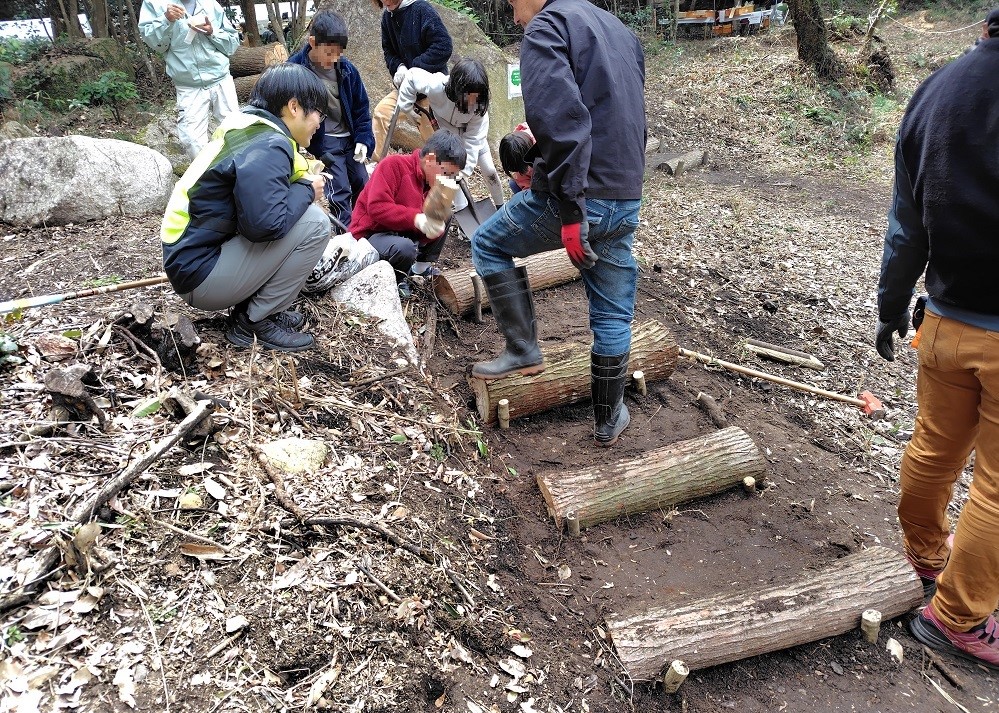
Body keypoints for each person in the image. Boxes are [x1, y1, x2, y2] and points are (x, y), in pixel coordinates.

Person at [876, 11, 999, 669]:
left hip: (943, 321)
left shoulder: (937, 90)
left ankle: (926, 554)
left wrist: (889, 305)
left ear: (984, 26)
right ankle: (956, 617)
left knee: (933, 447)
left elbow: (906, 222)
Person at [470, 0, 645, 448]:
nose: (514, 16)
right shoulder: (619, 31)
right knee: (612, 312)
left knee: (487, 243)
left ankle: (522, 349)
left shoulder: (547, 27)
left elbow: (561, 121)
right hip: (625, 193)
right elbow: (623, 118)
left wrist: (570, 211)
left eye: (513, 3)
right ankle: (608, 418)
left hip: (579, 196)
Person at [161, 64, 331, 352]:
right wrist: (306, 190)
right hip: (200, 276)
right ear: (294, 107)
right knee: (315, 223)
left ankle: (258, 309)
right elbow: (265, 226)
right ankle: (254, 320)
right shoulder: (268, 145)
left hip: (190, 263)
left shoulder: (248, 131)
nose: (319, 123)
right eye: (319, 113)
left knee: (304, 215)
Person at [348, 130, 465, 298]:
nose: (447, 180)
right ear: (430, 159)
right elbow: (377, 208)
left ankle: (421, 268)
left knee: (444, 216)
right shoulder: (393, 165)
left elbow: (425, 227)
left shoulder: (431, 183)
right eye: (446, 173)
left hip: (401, 233)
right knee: (405, 248)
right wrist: (416, 219)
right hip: (371, 235)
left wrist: (433, 228)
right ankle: (397, 279)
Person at [288, 10, 374, 228]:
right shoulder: (295, 70)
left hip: (349, 138)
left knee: (362, 182)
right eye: (328, 53)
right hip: (325, 139)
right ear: (312, 43)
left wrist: (364, 139)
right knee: (339, 189)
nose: (334, 59)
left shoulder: (347, 70)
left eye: (338, 53)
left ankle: (364, 228)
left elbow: (361, 108)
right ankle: (346, 233)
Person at [397, 58, 505, 209]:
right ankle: (463, 213)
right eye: (468, 95)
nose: (472, 100)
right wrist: (406, 106)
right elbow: (412, 76)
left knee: (489, 170)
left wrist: (465, 170)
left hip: (472, 136)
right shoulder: (436, 86)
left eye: (476, 95)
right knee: (453, 176)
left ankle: (501, 207)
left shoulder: (479, 109)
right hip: (449, 137)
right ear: (456, 88)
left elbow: (473, 141)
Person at [139, 0, 240, 159]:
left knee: (236, 134)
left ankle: (240, 171)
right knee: (193, 141)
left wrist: (212, 32)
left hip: (220, 79)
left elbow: (232, 44)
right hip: (188, 85)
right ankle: (208, 174)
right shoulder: (155, 3)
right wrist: (166, 19)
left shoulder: (210, 3)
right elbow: (154, 43)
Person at [369, 0, 453, 160]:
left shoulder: (422, 10)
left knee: (435, 144)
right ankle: (378, 165)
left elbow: (443, 46)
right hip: (404, 90)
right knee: (381, 113)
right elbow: (389, 51)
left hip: (430, 91)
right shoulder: (387, 17)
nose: (385, 3)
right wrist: (399, 67)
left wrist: (414, 71)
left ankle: (445, 173)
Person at [498, 122, 534, 195]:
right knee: (513, 183)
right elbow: (522, 177)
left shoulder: (543, 143)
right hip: (534, 176)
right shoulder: (515, 152)